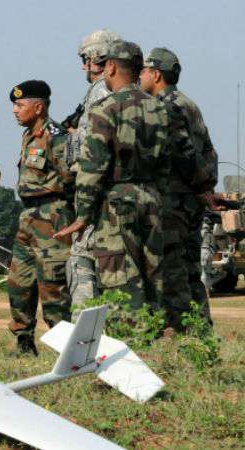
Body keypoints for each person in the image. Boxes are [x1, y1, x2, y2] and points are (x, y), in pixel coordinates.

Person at [54, 41, 171, 311]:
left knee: (120, 279)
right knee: (152, 274)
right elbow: (166, 163)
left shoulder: (105, 109)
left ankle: (131, 337)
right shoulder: (159, 109)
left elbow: (92, 169)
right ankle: (155, 333)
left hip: (116, 204)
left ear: (111, 66)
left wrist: (83, 215)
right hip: (152, 197)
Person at [139, 47, 223, 329]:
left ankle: (180, 333)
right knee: (190, 270)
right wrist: (206, 188)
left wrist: (200, 185)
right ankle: (202, 330)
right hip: (191, 202)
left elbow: (182, 152)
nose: (139, 77)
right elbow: (210, 151)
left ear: (156, 74)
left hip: (173, 202)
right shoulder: (189, 104)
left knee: (172, 271)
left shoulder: (163, 106)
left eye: (143, 71)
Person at [6, 81, 74, 356]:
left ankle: (65, 349)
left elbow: (71, 178)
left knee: (53, 285)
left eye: (20, 105)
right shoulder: (28, 135)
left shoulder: (56, 136)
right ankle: (24, 342)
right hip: (28, 217)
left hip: (53, 217)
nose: (14, 110)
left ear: (38, 107)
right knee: (19, 281)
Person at [64, 29, 120, 317]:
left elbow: (91, 151)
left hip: (96, 195)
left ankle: (82, 330)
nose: (83, 66)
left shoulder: (99, 92)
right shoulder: (125, 92)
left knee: (81, 260)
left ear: (97, 58)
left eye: (86, 59)